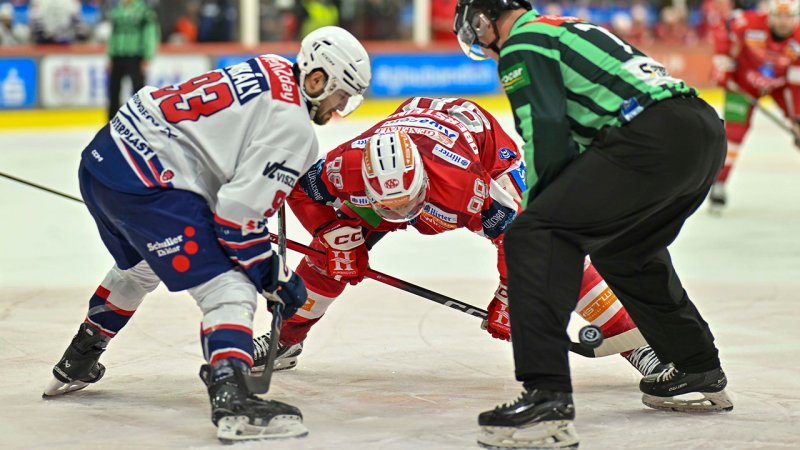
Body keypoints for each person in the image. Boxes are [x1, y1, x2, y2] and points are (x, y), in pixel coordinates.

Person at [42, 26, 371, 443]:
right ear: (317, 79)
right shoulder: (295, 129)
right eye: (342, 95)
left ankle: (79, 358)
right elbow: (236, 222)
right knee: (230, 288)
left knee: (141, 269)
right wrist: (275, 277)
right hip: (150, 184)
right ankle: (232, 400)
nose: (340, 108)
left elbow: (221, 157)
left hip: (104, 158)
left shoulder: (269, 66)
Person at [454, 1, 731, 448]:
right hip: (699, 133)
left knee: (535, 234)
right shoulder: (566, 28)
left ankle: (546, 398)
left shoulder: (523, 43)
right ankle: (696, 365)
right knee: (623, 248)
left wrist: (535, 212)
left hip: (649, 139)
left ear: (483, 22)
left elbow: (544, 134)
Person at [250, 96, 668, 379]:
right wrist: (329, 232)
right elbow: (303, 189)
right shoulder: (346, 167)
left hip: (482, 149)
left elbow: (524, 240)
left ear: (423, 184)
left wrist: (510, 296)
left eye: (406, 205)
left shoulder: (466, 188)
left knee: (556, 252)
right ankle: (286, 337)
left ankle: (635, 343)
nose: (400, 217)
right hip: (410, 145)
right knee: (333, 253)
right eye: (388, 208)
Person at [710, 0, 800, 210]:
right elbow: (723, 26)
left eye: (788, 16)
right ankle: (719, 184)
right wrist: (722, 61)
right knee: (734, 135)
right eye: (778, 15)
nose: (783, 21)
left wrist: (796, 117)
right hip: (741, 84)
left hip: (780, 85)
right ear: (770, 14)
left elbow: (796, 84)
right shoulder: (748, 23)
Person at [107, 0, 160, 120]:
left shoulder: (144, 11)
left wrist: (148, 56)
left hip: (135, 55)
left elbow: (150, 33)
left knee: (138, 91)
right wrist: (110, 55)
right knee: (113, 91)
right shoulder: (117, 11)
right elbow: (113, 34)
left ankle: (141, 120)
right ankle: (111, 121)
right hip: (118, 55)